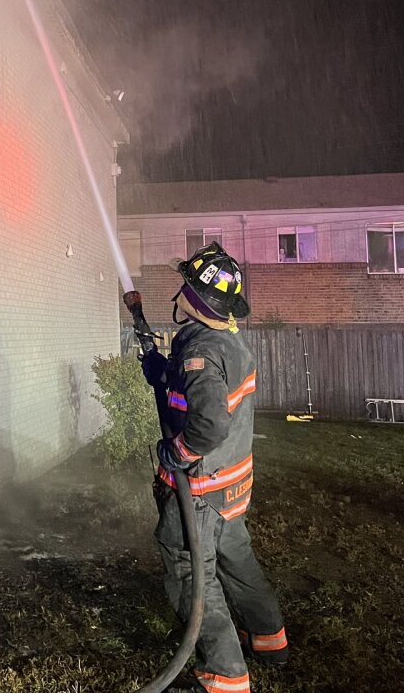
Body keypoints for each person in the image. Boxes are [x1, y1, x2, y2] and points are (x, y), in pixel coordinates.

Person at [141, 243, 288, 693]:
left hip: (202, 492)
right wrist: (162, 372)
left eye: (186, 284)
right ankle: (269, 638)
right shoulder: (225, 341)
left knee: (190, 572)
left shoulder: (200, 352)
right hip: (232, 487)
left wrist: (178, 455)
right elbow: (200, 390)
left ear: (197, 300)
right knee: (237, 561)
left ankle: (226, 674)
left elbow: (207, 423)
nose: (178, 291)